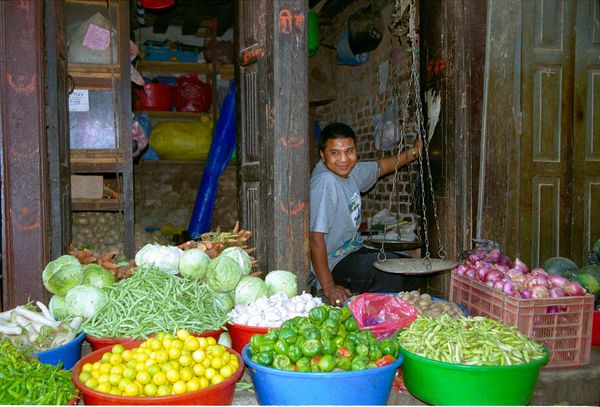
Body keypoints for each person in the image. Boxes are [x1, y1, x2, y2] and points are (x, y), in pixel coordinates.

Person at [309, 122, 425, 306]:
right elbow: (315, 239)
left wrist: (414, 152)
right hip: (333, 261)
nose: (343, 159)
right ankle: (381, 322)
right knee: (388, 274)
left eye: (349, 151)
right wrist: (329, 286)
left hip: (353, 251)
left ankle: (393, 312)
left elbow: (381, 167)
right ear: (322, 156)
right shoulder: (325, 182)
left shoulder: (350, 171)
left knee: (410, 268)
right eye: (335, 153)